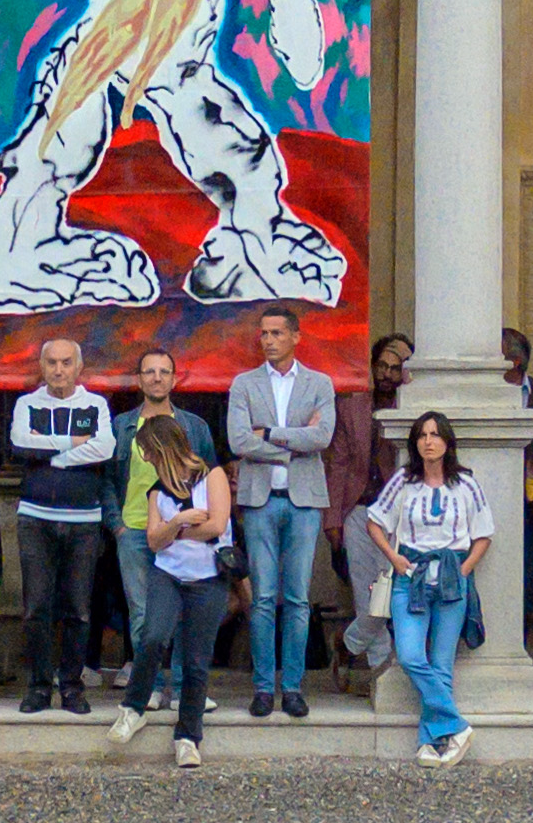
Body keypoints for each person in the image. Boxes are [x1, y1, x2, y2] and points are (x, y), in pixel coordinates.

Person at [227, 303, 336, 718]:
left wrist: (270, 434)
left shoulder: (319, 383)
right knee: (262, 598)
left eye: (276, 333)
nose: (268, 340)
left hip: (304, 501)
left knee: (297, 598)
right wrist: (293, 446)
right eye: (264, 333)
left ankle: (291, 687)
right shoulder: (244, 383)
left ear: (295, 337)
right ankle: (262, 687)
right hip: (260, 500)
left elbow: (322, 437)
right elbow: (239, 441)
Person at [367, 410, 492, 767]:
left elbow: (484, 533)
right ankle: (456, 726)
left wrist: (464, 570)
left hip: (452, 577)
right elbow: (374, 521)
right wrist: (394, 557)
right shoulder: (403, 481)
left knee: (441, 664)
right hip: (412, 577)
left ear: (447, 441)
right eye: (422, 435)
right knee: (409, 655)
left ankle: (431, 743)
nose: (428, 441)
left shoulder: (466, 483)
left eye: (435, 434)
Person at [109, 414, 234, 768]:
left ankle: (188, 736)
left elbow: (216, 525)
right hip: (168, 574)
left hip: (208, 577)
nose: (146, 458)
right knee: (152, 637)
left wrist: (171, 532)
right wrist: (179, 522)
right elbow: (153, 540)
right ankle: (133, 708)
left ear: (162, 448)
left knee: (196, 660)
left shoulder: (213, 476)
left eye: (148, 451)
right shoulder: (157, 491)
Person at [7, 335, 114, 714]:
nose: (58, 369)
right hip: (36, 519)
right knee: (36, 607)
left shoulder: (95, 405)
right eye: (51, 362)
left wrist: (51, 454)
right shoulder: (27, 404)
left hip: (84, 522)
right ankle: (39, 687)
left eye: (66, 362)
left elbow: (105, 448)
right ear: (42, 367)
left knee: (78, 610)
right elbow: (20, 443)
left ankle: (71, 688)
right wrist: (74, 443)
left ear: (79, 367)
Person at [110, 347, 218, 699]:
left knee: (187, 612)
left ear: (174, 379)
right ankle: (150, 688)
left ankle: (187, 691)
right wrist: (117, 524)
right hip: (135, 531)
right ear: (138, 379)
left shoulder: (194, 427)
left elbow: (208, 476)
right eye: (149, 371)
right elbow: (106, 479)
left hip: (184, 532)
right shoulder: (121, 426)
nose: (156, 378)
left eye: (163, 371)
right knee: (143, 615)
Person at [329, 332, 413, 690]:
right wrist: (332, 520)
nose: (388, 374)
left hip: (402, 518)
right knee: (370, 600)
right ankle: (382, 671)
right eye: (382, 365)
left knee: (393, 597)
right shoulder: (351, 407)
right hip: (360, 511)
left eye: (396, 368)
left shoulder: (414, 408)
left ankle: (346, 644)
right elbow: (338, 465)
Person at [504, 327, 533, 630]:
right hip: (488, 497)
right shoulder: (480, 393)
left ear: (515, 363)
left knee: (525, 570)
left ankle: (518, 637)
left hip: (530, 500)